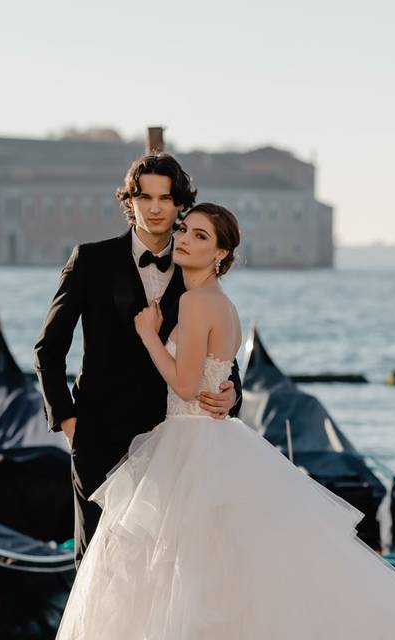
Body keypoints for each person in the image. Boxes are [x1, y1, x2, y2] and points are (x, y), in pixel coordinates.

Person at [55, 203, 395, 639]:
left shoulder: (194, 302)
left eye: (200, 236)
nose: (185, 239)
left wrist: (149, 336)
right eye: (185, 231)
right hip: (213, 438)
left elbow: (187, 386)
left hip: (189, 442)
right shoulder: (221, 304)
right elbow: (217, 373)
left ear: (222, 255)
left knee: (182, 570)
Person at [34, 154, 241, 566]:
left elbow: (219, 346)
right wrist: (70, 424)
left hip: (172, 441)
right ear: (130, 201)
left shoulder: (195, 266)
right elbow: (48, 349)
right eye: (144, 197)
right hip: (99, 440)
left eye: (165, 198)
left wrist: (233, 391)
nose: (155, 208)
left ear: (180, 203)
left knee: (165, 571)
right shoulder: (90, 260)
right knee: (98, 563)